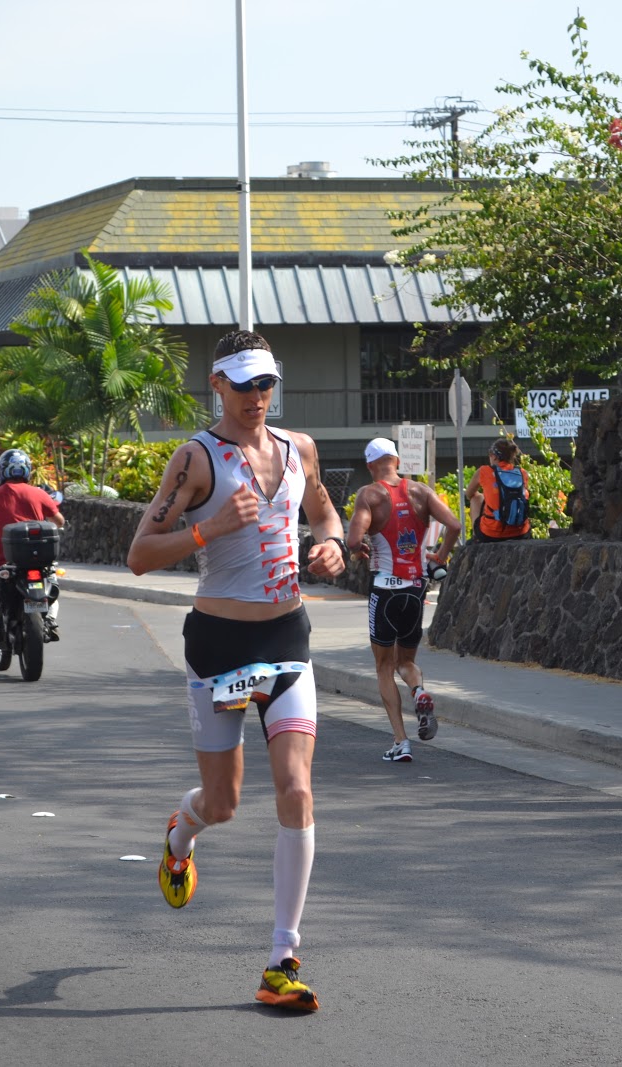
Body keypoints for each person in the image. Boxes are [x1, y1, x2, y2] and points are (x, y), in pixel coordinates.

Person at [128, 329, 347, 1012]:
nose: (258, 396)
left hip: (287, 635)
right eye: (245, 383)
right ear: (217, 384)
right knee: (222, 802)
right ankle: (181, 831)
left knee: (296, 788)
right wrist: (209, 528)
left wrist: (331, 544)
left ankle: (281, 956)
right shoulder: (196, 458)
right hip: (219, 644)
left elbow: (324, 511)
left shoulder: (299, 448)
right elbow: (139, 554)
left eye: (266, 383)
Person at [345, 436, 462, 762]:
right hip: (416, 588)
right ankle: (419, 691)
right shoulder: (422, 491)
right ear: (396, 460)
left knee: (384, 667)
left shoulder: (368, 495)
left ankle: (401, 741)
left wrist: (359, 550)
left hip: (384, 590)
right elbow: (453, 524)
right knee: (405, 662)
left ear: (371, 466)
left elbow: (354, 538)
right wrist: (438, 558)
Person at [0, 453, 64, 643]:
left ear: (2, 470)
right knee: (52, 587)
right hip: (40, 562)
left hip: (2, 561)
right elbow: (59, 521)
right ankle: (50, 621)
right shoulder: (39, 493)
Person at [467, 438, 532, 542]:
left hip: (491, 532)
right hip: (521, 532)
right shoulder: (522, 473)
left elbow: (469, 494)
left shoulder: (484, 471)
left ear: (494, 456)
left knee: (476, 498)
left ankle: (476, 538)